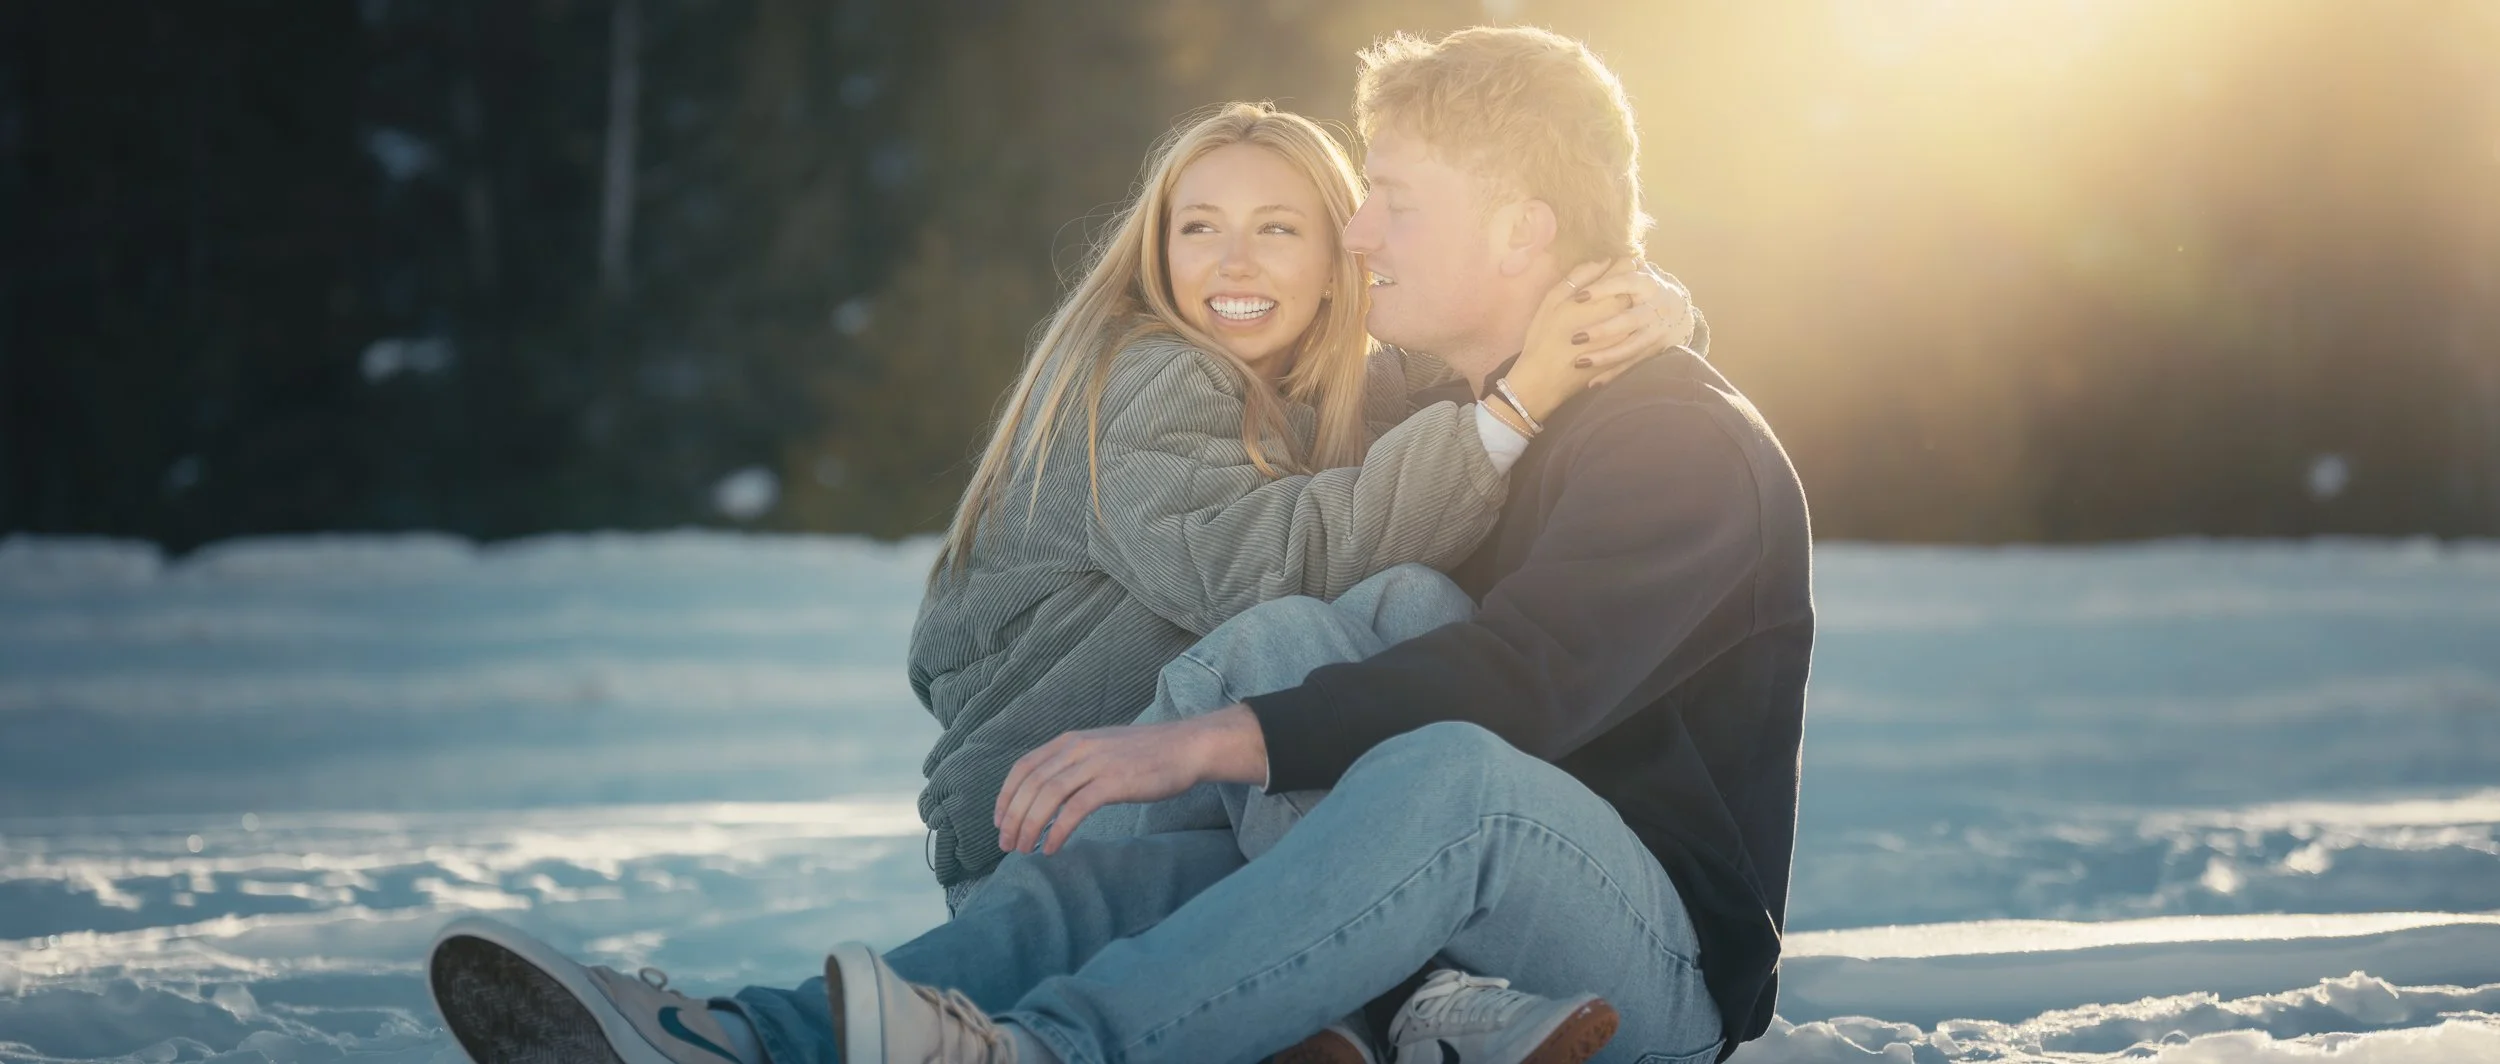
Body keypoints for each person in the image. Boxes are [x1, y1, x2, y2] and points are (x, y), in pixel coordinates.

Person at [425, 24, 1808, 1064]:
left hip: (1643, 961)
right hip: (1436, 897)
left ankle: (1055, 1052)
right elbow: (1355, 528)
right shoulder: (1477, 410)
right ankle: (753, 1040)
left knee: (1451, 766)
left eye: (1390, 196)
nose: (1358, 230)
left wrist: (1204, 741)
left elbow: (1527, 682)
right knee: (1188, 810)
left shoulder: (1673, 441)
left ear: (1523, 228)